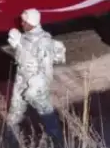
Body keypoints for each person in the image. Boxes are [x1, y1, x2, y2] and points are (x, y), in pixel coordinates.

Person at [5, 9, 65, 140]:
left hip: (35, 81)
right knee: (15, 110)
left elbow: (47, 68)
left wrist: (38, 85)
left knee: (45, 111)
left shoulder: (43, 41)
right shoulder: (26, 36)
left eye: (24, 22)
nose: (21, 23)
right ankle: (11, 140)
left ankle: (57, 139)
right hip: (21, 79)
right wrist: (18, 44)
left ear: (32, 23)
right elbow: (25, 55)